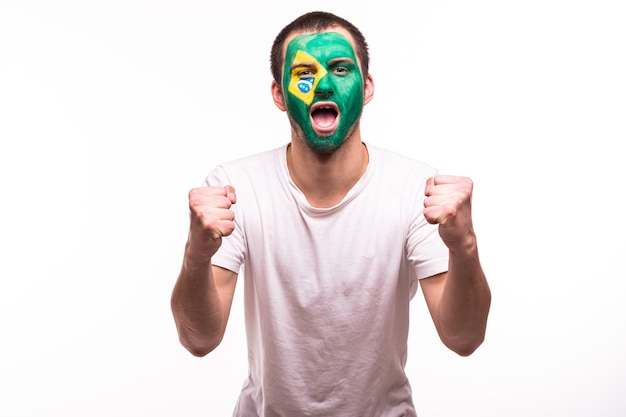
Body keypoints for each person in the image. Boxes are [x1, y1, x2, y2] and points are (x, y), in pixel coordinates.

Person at [171, 10, 491, 417]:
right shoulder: (237, 188)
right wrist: (196, 254)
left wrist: (464, 245)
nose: (323, 83)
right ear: (278, 94)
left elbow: (464, 338)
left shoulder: (416, 189)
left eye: (340, 69)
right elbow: (199, 340)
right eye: (304, 72)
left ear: (368, 86)